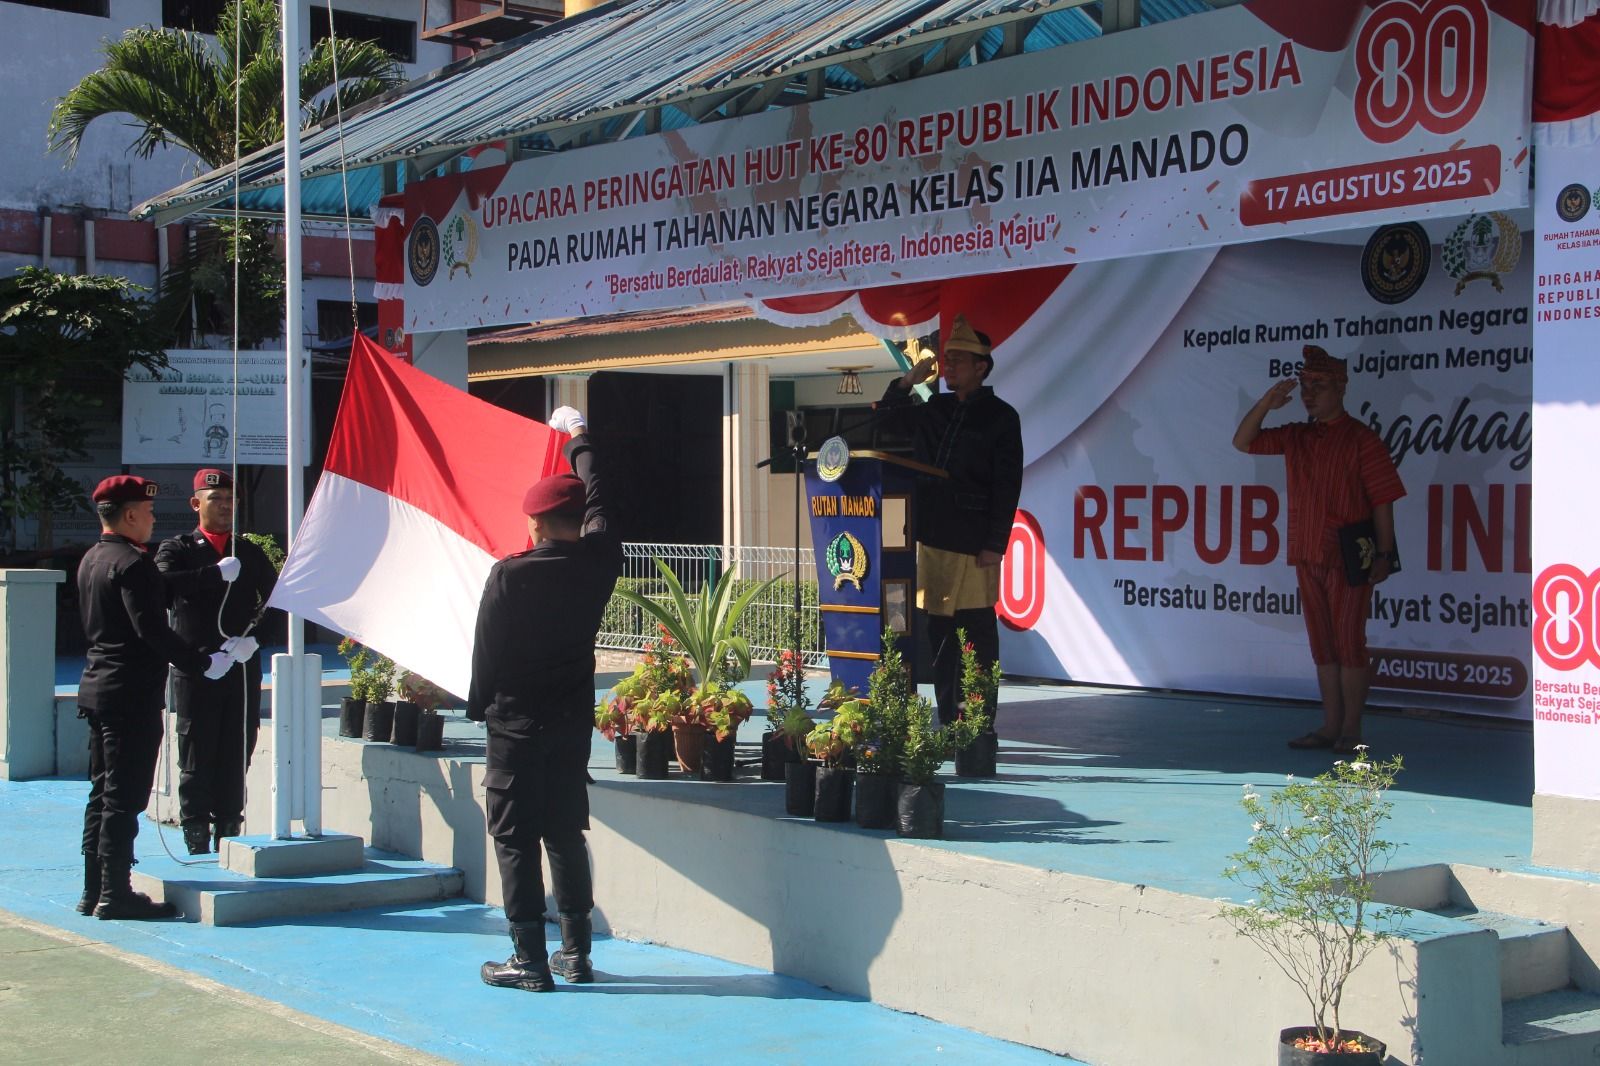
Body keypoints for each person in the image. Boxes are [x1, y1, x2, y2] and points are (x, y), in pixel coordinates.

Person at [469, 406, 623, 992]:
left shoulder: (509, 576)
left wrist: (479, 706)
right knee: (563, 829)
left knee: (513, 836)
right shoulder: (599, 560)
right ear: (578, 520)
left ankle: (529, 958)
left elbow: (486, 656)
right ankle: (576, 953)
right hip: (568, 722)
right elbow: (602, 495)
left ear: (535, 524)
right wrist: (579, 440)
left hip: (513, 722)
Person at [76, 475, 242, 920]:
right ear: (129, 514)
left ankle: (94, 888)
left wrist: (210, 575)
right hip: (130, 695)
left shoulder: (95, 558)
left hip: (98, 689)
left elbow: (158, 591)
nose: (152, 520)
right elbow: (151, 629)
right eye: (147, 513)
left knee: (101, 794)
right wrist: (201, 664)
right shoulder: (132, 562)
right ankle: (116, 893)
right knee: (124, 798)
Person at [1232, 345, 1405, 754]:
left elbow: (1383, 499)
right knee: (1322, 645)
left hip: (1348, 556)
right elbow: (1244, 442)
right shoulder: (1297, 435)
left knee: (1349, 643)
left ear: (1341, 388)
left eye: (1319, 386)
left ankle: (1351, 729)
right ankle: (1330, 725)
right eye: (1306, 385)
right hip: (1307, 553)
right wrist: (1267, 403)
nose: (1310, 394)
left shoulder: (1362, 439)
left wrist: (1384, 554)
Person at [879, 313, 1023, 733]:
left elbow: (1007, 483)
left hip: (974, 540)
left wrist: (996, 541)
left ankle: (979, 723)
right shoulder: (934, 408)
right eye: (948, 358)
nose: (951, 365)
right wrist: (910, 380)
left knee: (977, 637)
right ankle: (949, 718)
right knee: (940, 639)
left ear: (981, 367)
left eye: (960, 359)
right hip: (932, 536)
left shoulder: (1000, 416)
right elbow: (887, 417)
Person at [155, 468, 274, 854]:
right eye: (215, 500)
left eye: (229, 501)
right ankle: (194, 829)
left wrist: (254, 641)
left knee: (237, 745)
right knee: (196, 746)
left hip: (239, 666)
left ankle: (228, 823)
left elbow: (279, 604)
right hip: (197, 666)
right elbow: (163, 586)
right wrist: (212, 574)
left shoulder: (248, 552)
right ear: (196, 504)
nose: (224, 507)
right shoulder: (178, 549)